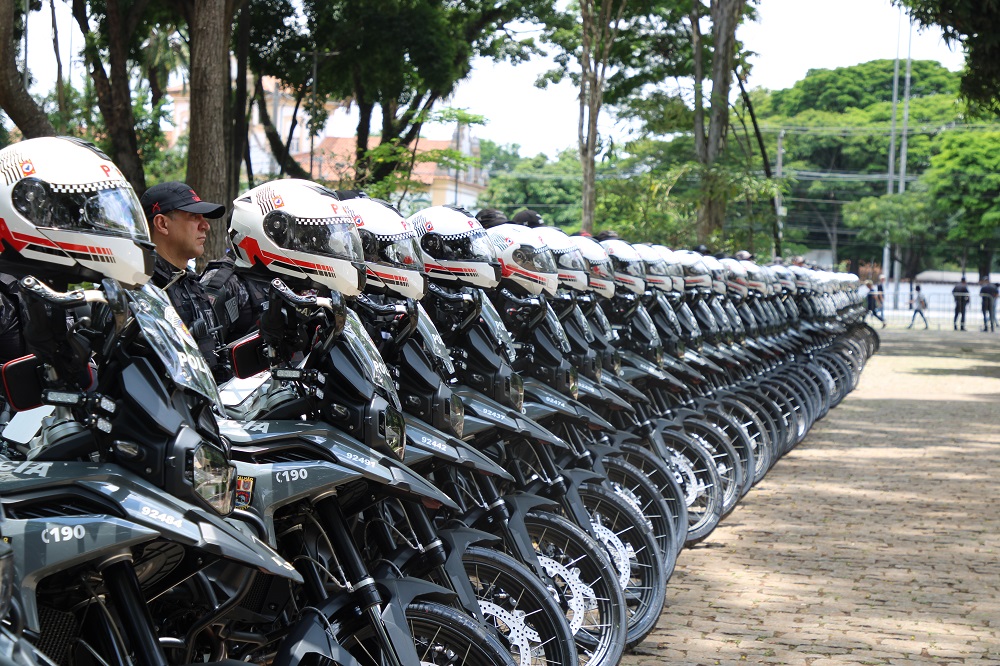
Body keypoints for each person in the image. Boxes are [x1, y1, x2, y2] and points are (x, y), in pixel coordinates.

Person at [139, 180, 229, 379]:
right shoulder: (137, 288)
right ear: (162, 224)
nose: (205, 225)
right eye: (194, 217)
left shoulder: (191, 283)